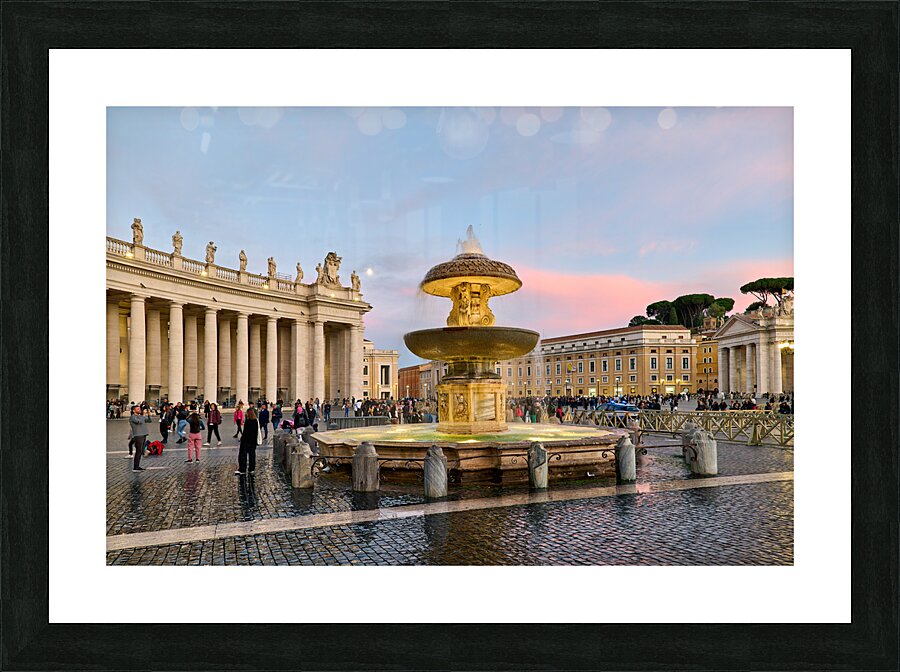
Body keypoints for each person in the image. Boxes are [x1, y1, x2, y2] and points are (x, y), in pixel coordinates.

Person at [236, 407, 259, 476]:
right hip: (253, 441)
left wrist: (242, 439)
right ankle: (251, 469)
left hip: (246, 441)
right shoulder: (255, 421)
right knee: (252, 455)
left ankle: (242, 469)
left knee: (243, 455)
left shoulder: (248, 422)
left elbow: (246, 432)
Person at [129, 404, 152, 472]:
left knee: (141, 450)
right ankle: (136, 467)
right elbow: (139, 421)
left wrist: (148, 414)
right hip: (138, 435)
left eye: (140, 409)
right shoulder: (133, 417)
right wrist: (143, 415)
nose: (140, 410)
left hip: (143, 434)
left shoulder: (140, 416)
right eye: (138, 409)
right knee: (138, 451)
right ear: (134, 410)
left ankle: (138, 465)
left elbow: (149, 420)